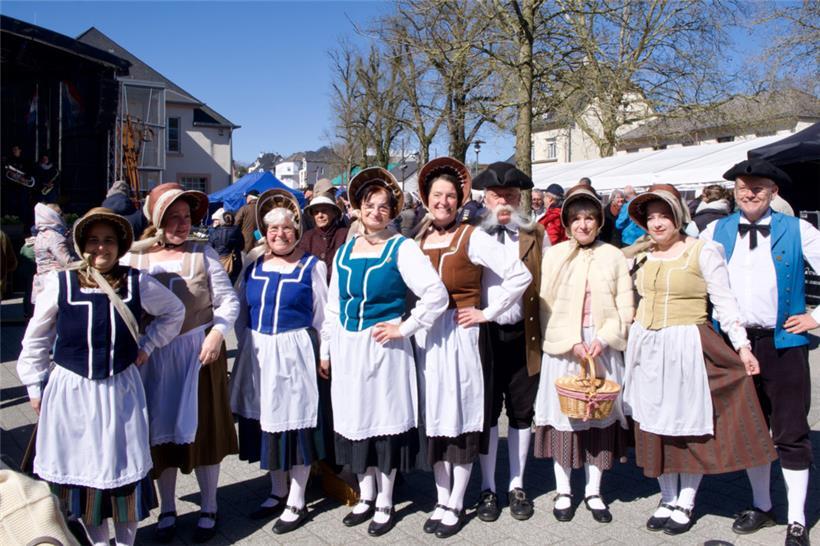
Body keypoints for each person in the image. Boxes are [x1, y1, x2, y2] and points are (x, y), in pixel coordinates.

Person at [17, 207, 184, 546]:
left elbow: (174, 311)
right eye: (93, 240)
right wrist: (35, 385)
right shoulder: (60, 283)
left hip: (119, 391)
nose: (100, 248)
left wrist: (148, 346)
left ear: (120, 244)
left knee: (121, 474)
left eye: (108, 241)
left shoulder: (137, 282)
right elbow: (36, 337)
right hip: (72, 392)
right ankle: (98, 542)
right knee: (84, 474)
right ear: (81, 244)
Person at [622, 184, 776, 536]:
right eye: (651, 217)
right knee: (652, 422)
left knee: (686, 424)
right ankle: (665, 496)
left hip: (685, 342)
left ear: (679, 216)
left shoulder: (703, 251)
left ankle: (686, 501)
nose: (658, 223)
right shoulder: (640, 254)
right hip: (646, 345)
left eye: (664, 215)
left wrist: (742, 347)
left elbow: (725, 302)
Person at [319, 167, 448, 537]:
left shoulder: (402, 247)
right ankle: (365, 494)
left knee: (382, 424)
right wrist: (327, 349)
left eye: (383, 206)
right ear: (357, 208)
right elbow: (332, 305)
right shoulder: (344, 251)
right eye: (368, 205)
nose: (376, 211)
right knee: (355, 421)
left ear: (393, 212)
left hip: (384, 350)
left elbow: (435, 294)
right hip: (348, 349)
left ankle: (386, 500)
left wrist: (403, 327)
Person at [702, 159, 820, 546]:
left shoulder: (798, 229)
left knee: (790, 431)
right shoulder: (715, 229)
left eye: (757, 187)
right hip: (737, 345)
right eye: (742, 187)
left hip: (783, 344)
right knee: (751, 428)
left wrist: (816, 318)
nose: (749, 193)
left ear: (774, 192)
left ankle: (798, 519)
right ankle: (762, 505)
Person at [414, 158, 530, 538]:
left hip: (462, 336)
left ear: (461, 199)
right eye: (437, 195)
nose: (443, 202)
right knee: (435, 420)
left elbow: (519, 275)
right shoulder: (417, 239)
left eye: (450, 195)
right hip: (428, 338)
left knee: (462, 418)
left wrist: (487, 312)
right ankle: (441, 496)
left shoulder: (471, 236)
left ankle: (457, 501)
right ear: (426, 198)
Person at [126, 182, 240, 543]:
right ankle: (168, 508)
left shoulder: (202, 254)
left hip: (197, 354)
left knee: (204, 433)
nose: (182, 224)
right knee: (160, 437)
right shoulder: (135, 259)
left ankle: (209, 506)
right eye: (173, 217)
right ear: (157, 221)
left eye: (186, 217)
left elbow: (228, 302)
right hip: (153, 358)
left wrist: (218, 333)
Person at [230, 189, 328, 534]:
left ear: (296, 230)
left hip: (295, 352)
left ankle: (297, 499)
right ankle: (277, 490)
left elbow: (323, 316)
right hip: (260, 354)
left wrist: (324, 352)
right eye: (273, 230)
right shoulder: (253, 266)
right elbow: (241, 312)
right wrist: (247, 347)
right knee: (268, 423)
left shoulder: (312, 267)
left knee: (296, 423)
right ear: (264, 234)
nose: (280, 235)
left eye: (286, 229)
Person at [533, 185, 633, 524]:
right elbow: (545, 305)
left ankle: (594, 489)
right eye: (576, 218)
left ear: (599, 221)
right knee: (566, 417)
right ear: (567, 221)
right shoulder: (555, 255)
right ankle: (563, 489)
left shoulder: (614, 256)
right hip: (566, 346)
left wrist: (605, 338)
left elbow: (625, 304)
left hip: (600, 346)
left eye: (589, 218)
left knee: (598, 416)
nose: (583, 225)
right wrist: (569, 340)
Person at [471, 162, 544, 523]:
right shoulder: (472, 236)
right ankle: (487, 487)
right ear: (485, 198)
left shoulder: (534, 235)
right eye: (497, 195)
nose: (504, 201)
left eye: (511, 196)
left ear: (520, 199)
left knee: (521, 412)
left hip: (524, 335)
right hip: (484, 336)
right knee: (486, 414)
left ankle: (517, 484)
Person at [298, 189, 350, 282]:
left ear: (334, 213)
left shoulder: (344, 234)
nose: (320, 215)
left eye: (324, 211)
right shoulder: (307, 237)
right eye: (316, 212)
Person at [31, 203, 76, 303]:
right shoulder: (54, 236)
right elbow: (66, 261)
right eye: (61, 214)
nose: (64, 217)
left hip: (43, 278)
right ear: (54, 216)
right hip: (55, 280)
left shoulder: (41, 234)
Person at [208, 208, 243, 284]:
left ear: (221, 220)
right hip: (235, 262)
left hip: (218, 261)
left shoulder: (215, 232)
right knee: (232, 284)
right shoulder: (237, 231)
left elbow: (209, 247)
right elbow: (241, 246)